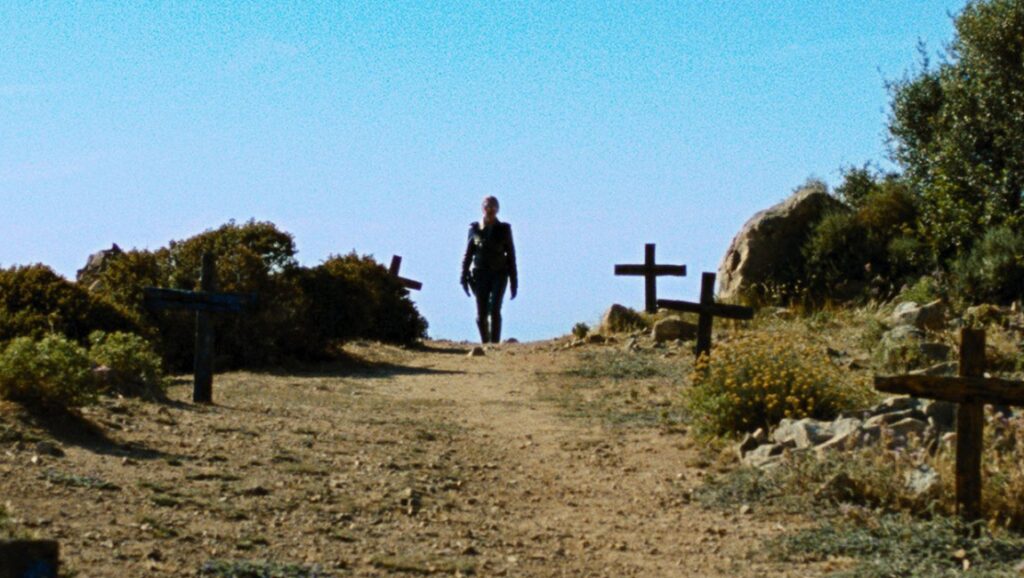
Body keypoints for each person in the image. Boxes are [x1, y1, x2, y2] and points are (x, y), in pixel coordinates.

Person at [461, 196, 518, 344]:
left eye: (493, 207)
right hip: (480, 275)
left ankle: (495, 345)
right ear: (482, 209)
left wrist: (514, 282)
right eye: (487, 206)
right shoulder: (474, 229)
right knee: (481, 314)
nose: (490, 210)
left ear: (497, 209)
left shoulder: (504, 229)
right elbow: (468, 254)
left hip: (499, 273)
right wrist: (463, 277)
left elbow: (511, 255)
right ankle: (486, 343)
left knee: (495, 310)